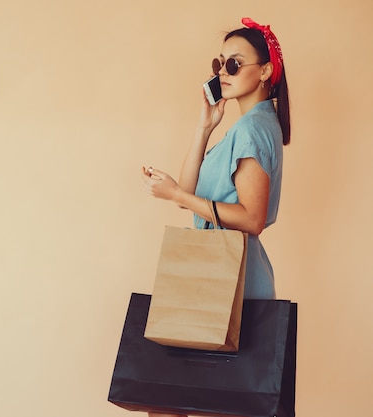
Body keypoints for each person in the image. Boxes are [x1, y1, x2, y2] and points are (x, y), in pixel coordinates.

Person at [140, 17, 290, 417]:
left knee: (200, 402)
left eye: (235, 64)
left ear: (266, 72)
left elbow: (252, 218)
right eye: (219, 63)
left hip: (230, 277)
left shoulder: (253, 130)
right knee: (178, 400)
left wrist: (177, 195)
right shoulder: (245, 127)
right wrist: (204, 127)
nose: (223, 72)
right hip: (210, 272)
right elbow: (187, 196)